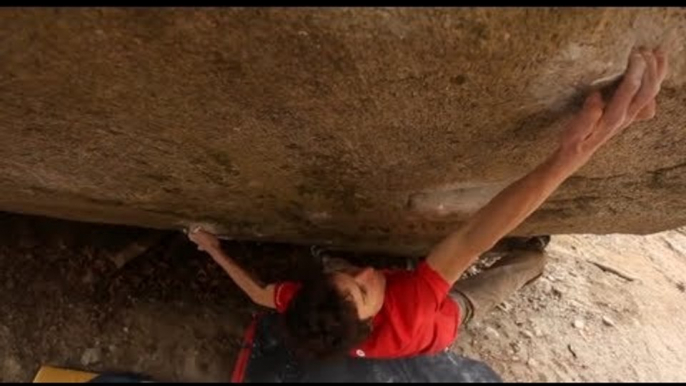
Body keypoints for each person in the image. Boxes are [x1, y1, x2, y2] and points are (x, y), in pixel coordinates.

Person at [188, 47, 668, 360]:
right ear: (371, 317)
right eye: (361, 291)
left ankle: (327, 264)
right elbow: (473, 236)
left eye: (346, 278)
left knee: (343, 270)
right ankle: (533, 258)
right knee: (495, 282)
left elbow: (256, 293)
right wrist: (568, 158)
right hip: (442, 322)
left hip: (364, 310)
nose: (365, 272)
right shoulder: (414, 310)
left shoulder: (309, 303)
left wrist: (211, 249)